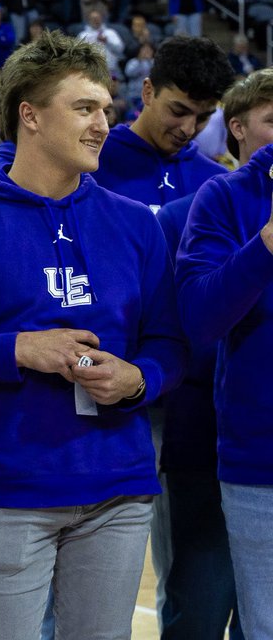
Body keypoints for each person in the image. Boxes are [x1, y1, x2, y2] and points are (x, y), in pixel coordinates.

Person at [0, 30, 186, 639]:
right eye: (85, 107)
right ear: (30, 116)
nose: (103, 123)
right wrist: (17, 348)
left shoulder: (135, 228)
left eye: (106, 109)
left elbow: (169, 342)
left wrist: (139, 378)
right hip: (8, 493)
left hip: (118, 490)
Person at [176, 69, 273, 639]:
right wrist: (263, 245)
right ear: (237, 129)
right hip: (260, 460)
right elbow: (199, 318)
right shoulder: (222, 199)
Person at [95, 36, 234, 213]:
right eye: (178, 112)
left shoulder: (216, 182)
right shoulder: (92, 162)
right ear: (148, 92)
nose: (188, 129)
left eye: (202, 118)